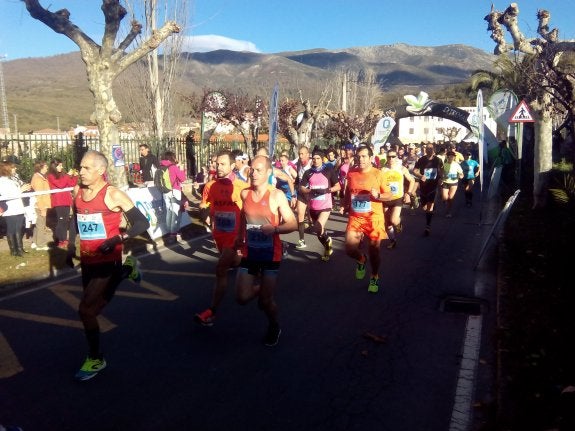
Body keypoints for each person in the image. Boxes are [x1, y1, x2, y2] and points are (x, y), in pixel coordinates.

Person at [73, 150, 150, 381]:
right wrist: (69, 249)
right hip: (88, 260)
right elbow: (74, 220)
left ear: (101, 171)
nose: (81, 172)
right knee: (94, 311)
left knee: (85, 310)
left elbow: (142, 222)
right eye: (80, 167)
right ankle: (127, 270)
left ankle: (96, 358)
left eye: (86, 168)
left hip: (107, 258)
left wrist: (118, 239)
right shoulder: (77, 191)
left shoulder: (113, 194)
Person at [234, 155, 297, 346]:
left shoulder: (276, 195)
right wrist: (239, 238)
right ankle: (265, 289)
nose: (253, 173)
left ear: (269, 172)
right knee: (242, 297)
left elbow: (292, 223)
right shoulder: (245, 194)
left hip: (271, 254)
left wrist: (275, 229)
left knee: (264, 303)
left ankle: (274, 325)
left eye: (258, 170)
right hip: (250, 253)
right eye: (251, 169)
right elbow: (244, 219)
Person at [194, 150, 249, 326]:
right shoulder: (210, 186)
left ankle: (212, 311)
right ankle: (251, 265)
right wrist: (206, 217)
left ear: (233, 165)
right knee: (235, 263)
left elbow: (249, 212)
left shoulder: (241, 187)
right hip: (219, 234)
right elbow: (204, 205)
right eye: (217, 164)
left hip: (235, 237)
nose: (218, 167)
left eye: (223, 164)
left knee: (220, 269)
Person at [342, 144, 392, 293]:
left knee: (374, 251)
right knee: (350, 248)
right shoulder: (351, 173)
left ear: (370, 158)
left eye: (364, 156)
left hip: (374, 218)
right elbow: (347, 191)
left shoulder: (378, 174)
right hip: (356, 217)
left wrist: (379, 196)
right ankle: (361, 259)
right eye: (358, 156)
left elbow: (389, 194)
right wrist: (345, 204)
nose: (361, 159)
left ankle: (374, 276)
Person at [298, 148, 341, 261]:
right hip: (313, 206)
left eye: (318, 158)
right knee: (319, 232)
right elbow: (302, 187)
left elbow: (338, 186)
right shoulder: (308, 172)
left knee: (318, 226)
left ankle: (327, 246)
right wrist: (309, 191)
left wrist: (327, 190)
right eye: (314, 158)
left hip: (325, 205)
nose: (315, 160)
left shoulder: (328, 170)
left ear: (322, 159)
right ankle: (327, 244)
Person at [380, 149, 415, 248]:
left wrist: (408, 193)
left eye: (393, 156)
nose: (391, 158)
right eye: (389, 157)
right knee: (387, 223)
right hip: (386, 199)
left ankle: (398, 224)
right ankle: (392, 240)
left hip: (397, 198)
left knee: (394, 220)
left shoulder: (402, 168)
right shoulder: (382, 169)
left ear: (396, 157)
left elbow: (412, 180)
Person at [0, 161, 32, 257]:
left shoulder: (13, 179)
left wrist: (25, 188)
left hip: (18, 207)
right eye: (13, 167)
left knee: (18, 229)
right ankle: (14, 251)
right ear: (6, 169)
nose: (15, 169)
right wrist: (21, 190)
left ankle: (20, 249)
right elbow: (6, 195)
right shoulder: (2, 181)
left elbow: (17, 191)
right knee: (11, 229)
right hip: (10, 209)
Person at [414, 143, 443, 236]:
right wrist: (420, 175)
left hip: (433, 187)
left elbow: (442, 171)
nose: (429, 150)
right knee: (424, 207)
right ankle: (423, 205)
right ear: (425, 150)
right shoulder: (421, 159)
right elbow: (415, 170)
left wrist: (441, 178)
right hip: (423, 186)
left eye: (431, 148)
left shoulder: (438, 160)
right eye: (428, 148)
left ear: (434, 149)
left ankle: (428, 226)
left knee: (429, 208)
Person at [47, 158, 77, 248]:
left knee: (65, 221)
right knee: (61, 221)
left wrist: (75, 176)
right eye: (60, 165)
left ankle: (64, 239)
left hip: (66, 201)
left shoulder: (63, 175)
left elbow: (71, 184)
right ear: (54, 166)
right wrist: (67, 175)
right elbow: (60, 185)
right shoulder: (51, 175)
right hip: (58, 201)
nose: (62, 167)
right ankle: (61, 240)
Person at [159, 151, 187, 243]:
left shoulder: (161, 167)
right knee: (176, 213)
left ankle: (171, 231)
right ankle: (173, 234)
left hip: (165, 192)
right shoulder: (173, 167)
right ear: (172, 157)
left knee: (169, 212)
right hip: (175, 191)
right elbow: (182, 178)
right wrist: (182, 169)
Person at [30, 161, 52, 251]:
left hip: (40, 205)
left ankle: (35, 242)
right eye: (46, 166)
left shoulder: (40, 177)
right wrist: (42, 208)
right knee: (41, 225)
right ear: (41, 167)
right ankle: (40, 244)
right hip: (40, 205)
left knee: (38, 225)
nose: (47, 168)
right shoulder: (38, 179)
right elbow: (39, 195)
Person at [294, 145, 312, 249]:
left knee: (314, 218)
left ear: (307, 155)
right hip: (301, 193)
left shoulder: (312, 164)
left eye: (302, 154)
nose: (300, 156)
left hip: (312, 194)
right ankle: (302, 240)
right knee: (300, 215)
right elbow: (298, 177)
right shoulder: (298, 164)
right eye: (299, 154)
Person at [441, 151, 464, 217]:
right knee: (445, 197)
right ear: (447, 156)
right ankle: (445, 202)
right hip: (445, 182)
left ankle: (448, 212)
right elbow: (441, 173)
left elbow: (461, 174)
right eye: (450, 156)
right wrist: (442, 176)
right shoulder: (444, 164)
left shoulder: (456, 165)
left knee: (450, 198)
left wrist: (461, 176)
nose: (451, 157)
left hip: (454, 183)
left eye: (453, 156)